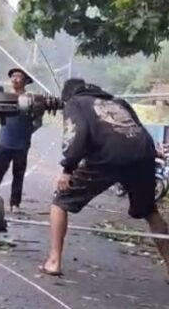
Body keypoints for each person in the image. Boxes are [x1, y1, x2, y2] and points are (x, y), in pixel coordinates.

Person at [40, 79, 169, 280]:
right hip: (142, 154)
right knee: (150, 212)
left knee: (60, 202)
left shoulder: (76, 103)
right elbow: (140, 129)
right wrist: (151, 155)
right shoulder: (117, 102)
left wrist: (67, 169)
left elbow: (77, 135)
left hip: (108, 154)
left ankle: (53, 261)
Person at [0, 67, 42, 213]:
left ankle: (15, 204)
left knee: (18, 174)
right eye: (13, 76)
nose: (15, 79)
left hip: (21, 144)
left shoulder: (31, 99)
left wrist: (27, 132)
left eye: (18, 77)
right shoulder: (4, 97)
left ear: (26, 81)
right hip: (5, 141)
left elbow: (38, 122)